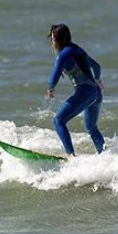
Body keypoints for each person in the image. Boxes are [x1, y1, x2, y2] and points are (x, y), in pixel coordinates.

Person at [46, 24, 106, 156]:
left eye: (52, 37)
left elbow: (53, 78)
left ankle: (71, 156)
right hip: (96, 92)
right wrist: (98, 81)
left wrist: (50, 89)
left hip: (85, 93)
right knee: (91, 128)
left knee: (58, 120)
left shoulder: (62, 55)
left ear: (56, 38)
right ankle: (105, 156)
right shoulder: (77, 50)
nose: (51, 40)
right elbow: (96, 66)